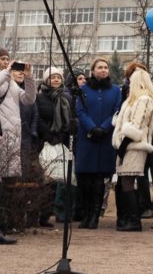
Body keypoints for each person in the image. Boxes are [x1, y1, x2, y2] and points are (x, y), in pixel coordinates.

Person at [74, 58, 121, 229]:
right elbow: (79, 111)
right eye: (99, 67)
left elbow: (117, 110)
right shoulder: (83, 90)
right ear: (92, 70)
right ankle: (85, 215)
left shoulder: (116, 90)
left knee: (99, 179)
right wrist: (92, 128)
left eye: (106, 67)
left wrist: (104, 128)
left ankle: (94, 216)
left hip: (105, 138)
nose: (103, 70)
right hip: (87, 138)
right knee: (85, 179)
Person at [111, 69, 153, 232]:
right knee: (125, 180)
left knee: (128, 180)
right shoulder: (133, 100)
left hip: (134, 145)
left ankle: (134, 220)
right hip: (128, 144)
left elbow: (137, 125)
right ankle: (128, 218)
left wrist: (123, 145)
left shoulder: (144, 99)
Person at [0, 57, 36, 244]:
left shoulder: (13, 85)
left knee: (5, 185)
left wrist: (29, 78)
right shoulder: (3, 80)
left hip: (11, 140)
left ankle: (3, 226)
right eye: (17, 68)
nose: (19, 71)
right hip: (2, 138)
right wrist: (6, 71)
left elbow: (29, 100)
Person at [36, 66, 76, 228]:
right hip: (44, 142)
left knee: (60, 179)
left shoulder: (66, 98)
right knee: (45, 180)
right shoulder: (39, 98)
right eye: (53, 77)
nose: (56, 80)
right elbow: (37, 118)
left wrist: (68, 130)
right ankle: (41, 214)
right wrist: (48, 135)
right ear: (46, 80)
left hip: (62, 142)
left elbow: (70, 119)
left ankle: (54, 214)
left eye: (59, 77)